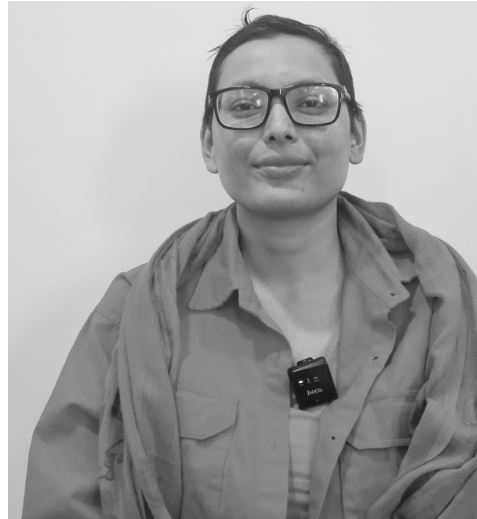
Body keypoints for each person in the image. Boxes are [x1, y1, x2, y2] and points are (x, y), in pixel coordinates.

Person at [22, 11, 477, 519]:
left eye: (311, 103)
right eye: (244, 106)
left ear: (356, 136)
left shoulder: (442, 309)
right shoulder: (134, 314)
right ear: (209, 145)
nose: (279, 128)